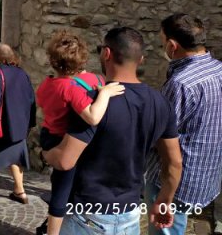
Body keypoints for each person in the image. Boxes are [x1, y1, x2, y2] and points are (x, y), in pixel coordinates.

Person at [44, 27, 182, 235]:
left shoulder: (94, 101)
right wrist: (163, 202)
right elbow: (174, 163)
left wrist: (45, 152)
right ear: (141, 59)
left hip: (88, 213)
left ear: (106, 53)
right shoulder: (160, 103)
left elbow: (65, 160)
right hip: (130, 212)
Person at [35, 31, 125, 235]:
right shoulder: (77, 87)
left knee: (64, 185)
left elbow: (42, 103)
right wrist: (106, 92)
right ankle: (53, 231)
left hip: (49, 134)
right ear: (82, 59)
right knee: (62, 189)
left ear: (52, 60)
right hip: (62, 141)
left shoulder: (48, 84)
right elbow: (93, 117)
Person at [145, 14, 222, 235]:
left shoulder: (181, 84)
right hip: (205, 174)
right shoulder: (217, 68)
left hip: (173, 181)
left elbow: (160, 135)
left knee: (165, 229)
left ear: (172, 45)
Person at [0, 44, 35, 203]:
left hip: (0, 124)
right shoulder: (23, 74)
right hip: (19, 125)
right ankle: (20, 191)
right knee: (16, 158)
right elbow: (31, 99)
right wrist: (30, 123)